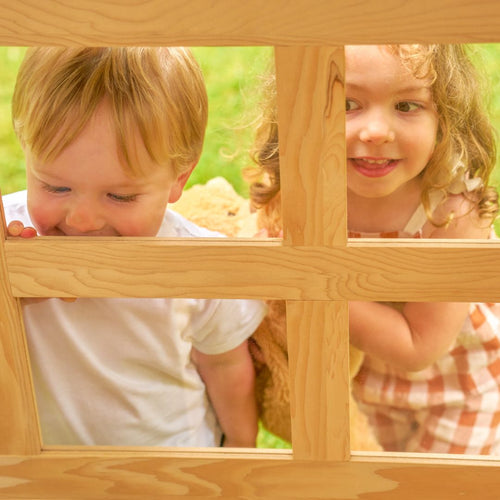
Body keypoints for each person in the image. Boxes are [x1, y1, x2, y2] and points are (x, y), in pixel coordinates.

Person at [3, 47, 267, 448]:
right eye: (55, 186)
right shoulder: (11, 237)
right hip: (39, 475)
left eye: (120, 196)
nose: (81, 220)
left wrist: (241, 452)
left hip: (172, 472)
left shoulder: (202, 264)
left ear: (179, 178)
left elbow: (226, 365)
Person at [248, 44, 500, 455]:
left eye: (406, 105)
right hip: (362, 387)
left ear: (447, 117)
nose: (376, 131)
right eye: (348, 103)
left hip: (461, 389)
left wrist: (298, 277)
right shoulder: (306, 187)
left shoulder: (453, 209)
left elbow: (419, 347)